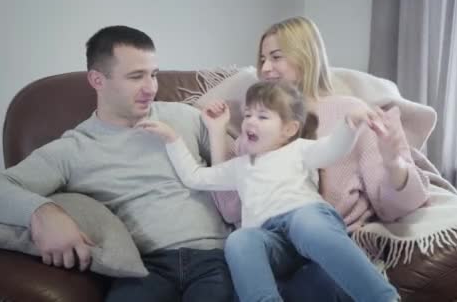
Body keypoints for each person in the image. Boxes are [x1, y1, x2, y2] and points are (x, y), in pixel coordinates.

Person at [0, 25, 356, 302]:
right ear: (97, 80)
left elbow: (252, 166)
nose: (151, 87)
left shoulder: (185, 117)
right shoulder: (74, 148)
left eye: (153, 74)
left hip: (216, 258)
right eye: (136, 76)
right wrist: (44, 213)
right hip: (145, 268)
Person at [138, 80, 399, 302]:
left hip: (306, 222)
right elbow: (194, 177)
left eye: (262, 116)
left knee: (307, 223)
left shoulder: (298, 149)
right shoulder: (239, 167)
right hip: (272, 243)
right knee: (239, 240)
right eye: (248, 114)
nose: (251, 121)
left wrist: (349, 124)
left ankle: (382, 297)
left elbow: (334, 149)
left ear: (289, 130)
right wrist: (172, 139)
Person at [213, 16, 430, 236]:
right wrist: (216, 132)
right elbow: (231, 210)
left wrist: (394, 163)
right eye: (262, 60)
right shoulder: (255, 122)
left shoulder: (351, 114)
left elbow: (396, 207)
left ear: (306, 56)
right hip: (268, 245)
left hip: (328, 242)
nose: (266, 68)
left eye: (276, 57)